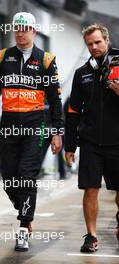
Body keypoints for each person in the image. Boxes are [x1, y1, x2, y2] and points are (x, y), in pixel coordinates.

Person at [0, 12, 63, 251]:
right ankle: (25, 205)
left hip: (35, 125)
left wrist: (57, 131)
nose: (20, 31)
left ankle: (24, 227)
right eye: (17, 27)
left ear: (34, 32)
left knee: (26, 175)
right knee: (8, 178)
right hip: (8, 125)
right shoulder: (2, 57)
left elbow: (56, 101)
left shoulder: (46, 60)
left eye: (25, 28)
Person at [65, 24, 119, 253]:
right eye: (89, 44)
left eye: (98, 42)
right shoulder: (81, 74)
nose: (94, 47)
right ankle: (91, 236)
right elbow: (73, 112)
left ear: (106, 40)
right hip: (90, 142)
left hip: (117, 141)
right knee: (90, 189)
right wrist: (70, 146)